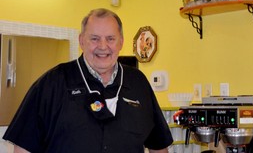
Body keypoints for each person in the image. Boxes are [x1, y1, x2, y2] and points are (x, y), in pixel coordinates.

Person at [3, 8, 173, 153]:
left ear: (121, 42)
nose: (103, 46)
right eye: (94, 38)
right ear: (81, 41)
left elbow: (159, 145)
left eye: (110, 39)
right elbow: (22, 148)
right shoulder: (52, 83)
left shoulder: (138, 83)